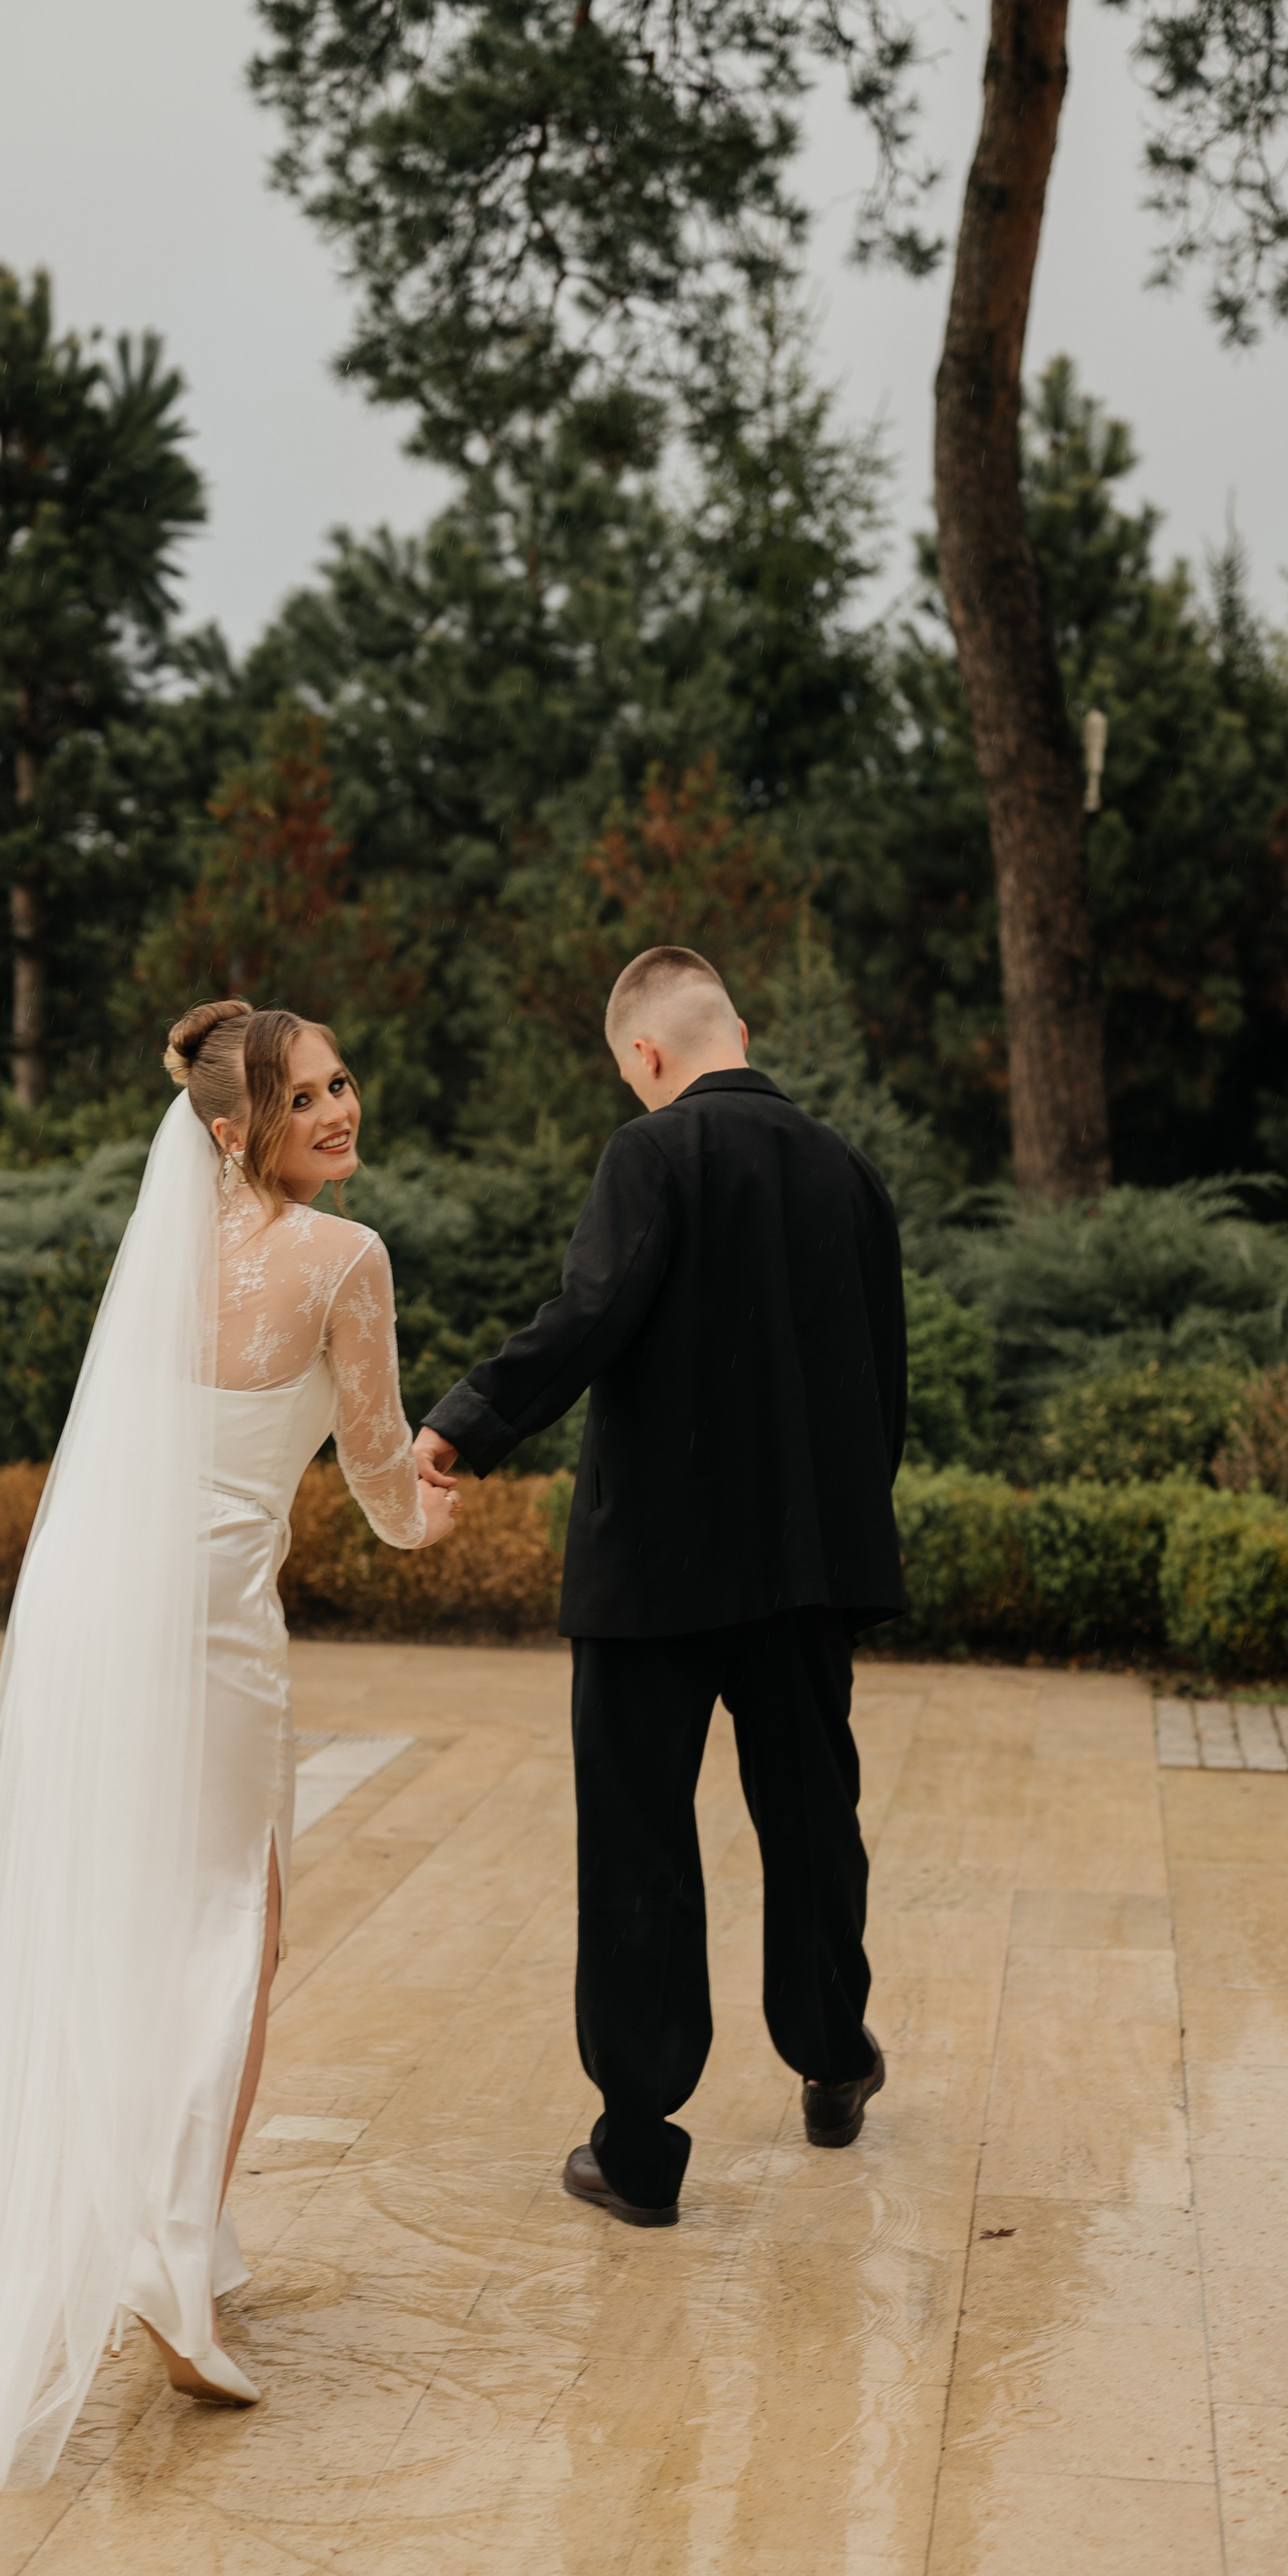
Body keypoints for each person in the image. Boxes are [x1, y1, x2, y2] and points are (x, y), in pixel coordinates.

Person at [0, 1001, 455, 2498]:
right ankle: (167, 2252)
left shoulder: (165, 1251)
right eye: (307, 1097)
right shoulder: (345, 1258)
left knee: (125, 1917)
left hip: (87, 1605)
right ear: (238, 1127)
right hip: (210, 1621)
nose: (340, 1109)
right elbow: (381, 1485)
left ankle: (183, 2228)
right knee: (238, 1922)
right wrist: (437, 1508)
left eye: (343, 1081)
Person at [417, 946, 906, 2226]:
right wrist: (845, 1539)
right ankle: (833, 2060)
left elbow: (591, 1311)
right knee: (813, 1818)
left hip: (652, 1573)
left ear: (645, 1053)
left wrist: (466, 1421)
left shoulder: (651, 1154)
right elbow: (883, 1377)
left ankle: (639, 2151)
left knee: (639, 1837)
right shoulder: (848, 1170)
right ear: (738, 1030)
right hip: (804, 1568)